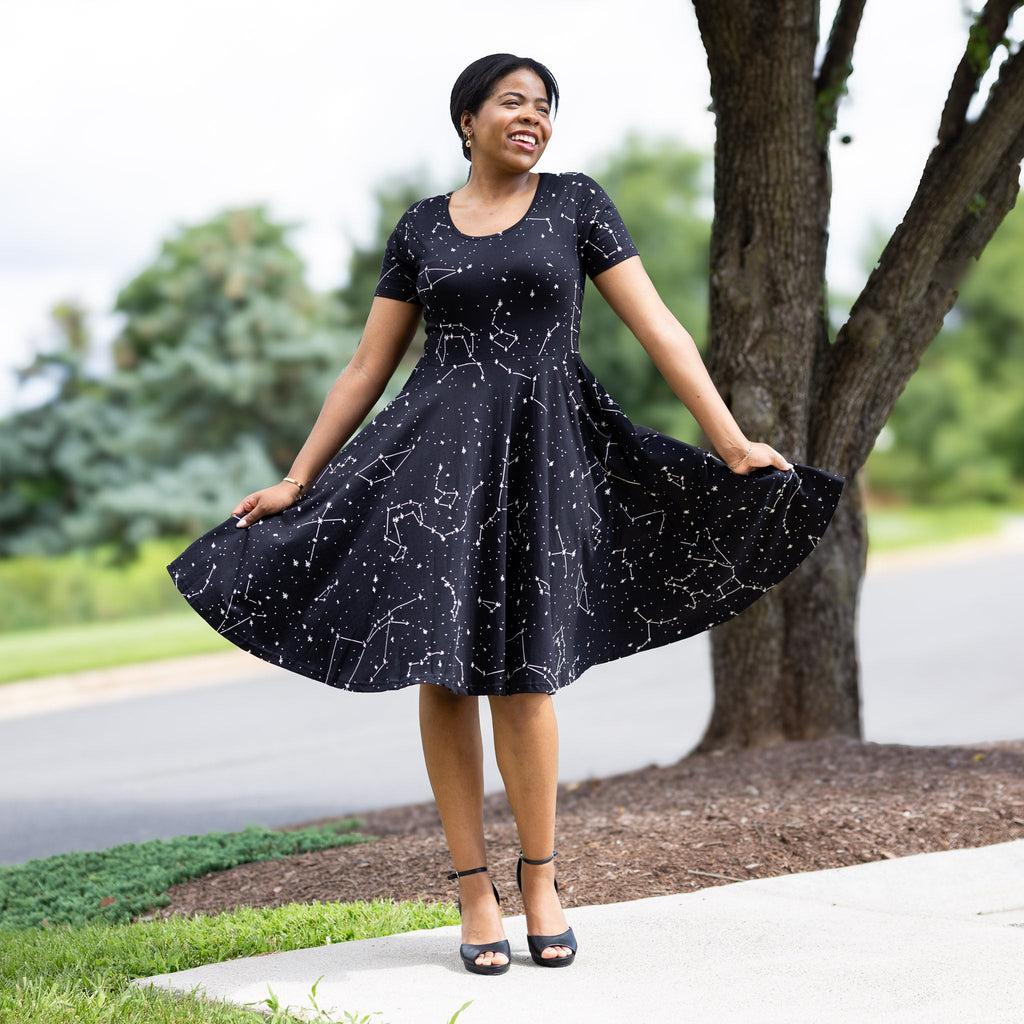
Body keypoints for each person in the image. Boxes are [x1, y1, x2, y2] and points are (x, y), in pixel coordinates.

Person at [168, 53, 843, 976]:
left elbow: (660, 328)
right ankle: (471, 889)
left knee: (527, 673)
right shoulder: (419, 228)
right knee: (442, 672)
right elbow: (367, 366)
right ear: (467, 120)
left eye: (545, 107)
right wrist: (297, 476)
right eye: (512, 103)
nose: (533, 118)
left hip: (543, 454)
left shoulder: (576, 203)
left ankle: (541, 878)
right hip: (433, 462)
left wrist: (729, 443)